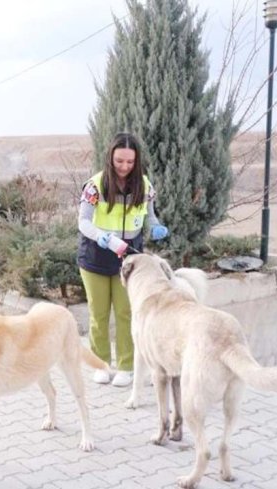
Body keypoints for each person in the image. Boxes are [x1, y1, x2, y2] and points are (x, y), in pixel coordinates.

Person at [77, 132, 169, 387]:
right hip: (96, 256)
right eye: (119, 161)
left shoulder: (144, 185)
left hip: (130, 261)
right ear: (110, 158)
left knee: (126, 312)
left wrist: (156, 226)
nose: (124, 167)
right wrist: (102, 237)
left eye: (130, 162)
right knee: (98, 314)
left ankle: (127, 366)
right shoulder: (95, 186)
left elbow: (150, 215)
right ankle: (101, 364)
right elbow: (83, 222)